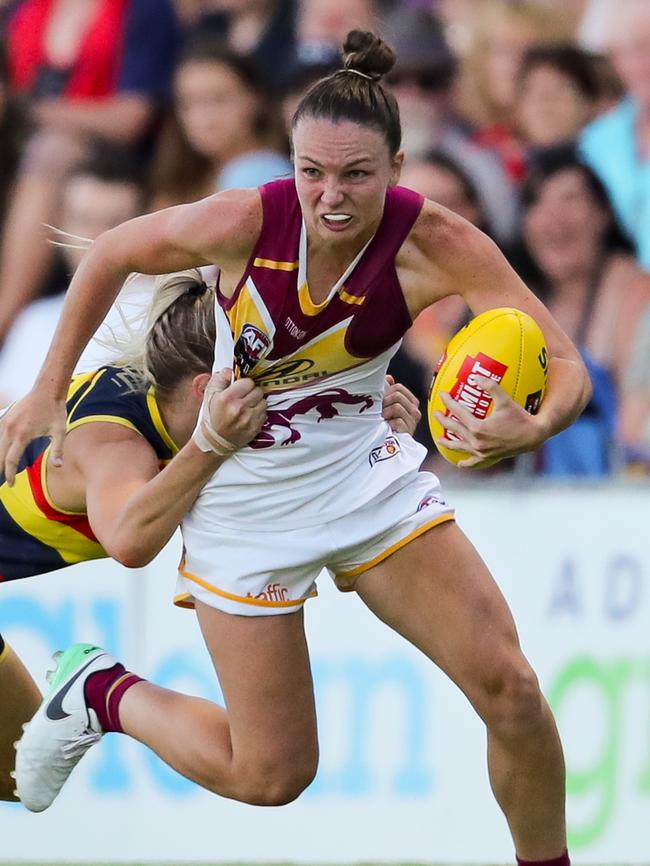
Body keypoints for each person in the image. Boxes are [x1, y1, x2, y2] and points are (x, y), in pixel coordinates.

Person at [3, 32, 590, 866]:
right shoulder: (247, 222)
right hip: (247, 502)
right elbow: (114, 251)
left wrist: (534, 426)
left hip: (361, 479)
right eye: (312, 172)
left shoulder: (438, 243)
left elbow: (563, 363)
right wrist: (41, 388)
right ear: (291, 164)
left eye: (356, 175)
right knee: (272, 774)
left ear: (395, 168)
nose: (331, 196)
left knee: (515, 692)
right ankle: (102, 691)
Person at [0, 265, 427, 801]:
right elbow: (129, 541)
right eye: (272, 386)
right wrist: (213, 444)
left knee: (12, 779)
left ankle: (98, 693)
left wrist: (365, 426)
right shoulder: (112, 444)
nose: (284, 402)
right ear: (207, 388)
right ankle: (96, 690)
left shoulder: (186, 410)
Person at [509, 147, 650, 474]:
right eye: (537, 202)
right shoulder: (519, 302)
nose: (552, 217)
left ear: (604, 214)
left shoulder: (635, 293)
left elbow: (637, 429)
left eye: (570, 199)